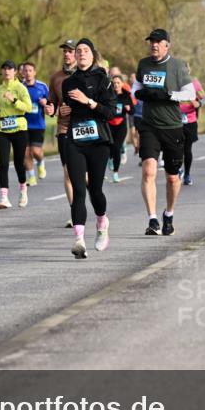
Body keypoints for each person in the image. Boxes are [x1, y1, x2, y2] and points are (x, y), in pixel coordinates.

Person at [60, 38, 116, 258]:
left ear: (92, 55)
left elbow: (110, 113)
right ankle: (79, 240)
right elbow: (67, 109)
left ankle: (102, 223)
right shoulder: (68, 82)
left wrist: (88, 101)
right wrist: (60, 111)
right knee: (78, 190)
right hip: (75, 140)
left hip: (98, 141)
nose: (81, 53)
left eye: (85, 50)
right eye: (78, 51)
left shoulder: (103, 79)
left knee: (95, 190)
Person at [133, 28, 192, 235]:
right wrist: (142, 93)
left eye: (158, 42)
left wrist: (169, 95)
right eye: (151, 42)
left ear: (167, 45)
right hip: (149, 126)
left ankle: (169, 214)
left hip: (172, 127)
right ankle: (152, 220)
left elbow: (190, 92)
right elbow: (135, 88)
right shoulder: (144, 64)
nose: (154, 45)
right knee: (149, 171)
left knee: (172, 178)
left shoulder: (177, 65)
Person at [0, 60, 32, 208]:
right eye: (4, 69)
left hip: (19, 128)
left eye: (10, 69)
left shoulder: (21, 88)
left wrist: (14, 100)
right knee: (3, 163)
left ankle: (23, 189)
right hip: (3, 129)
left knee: (18, 163)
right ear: (1, 72)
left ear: (15, 72)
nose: (7, 71)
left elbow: (28, 107)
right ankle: (4, 198)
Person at [48, 40, 76, 228]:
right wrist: (51, 109)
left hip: (85, 128)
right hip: (64, 129)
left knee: (84, 176)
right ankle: (75, 212)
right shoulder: (56, 77)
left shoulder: (88, 75)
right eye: (65, 51)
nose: (66, 54)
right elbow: (52, 104)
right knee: (68, 172)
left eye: (70, 51)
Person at [18, 61, 49, 186]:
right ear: (22, 73)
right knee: (25, 152)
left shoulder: (42, 86)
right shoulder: (19, 87)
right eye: (25, 70)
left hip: (38, 124)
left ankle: (41, 162)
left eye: (30, 70)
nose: (28, 73)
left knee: (36, 151)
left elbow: (50, 101)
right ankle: (31, 176)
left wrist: (45, 101)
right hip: (23, 124)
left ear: (34, 72)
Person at [179, 69, 205, 186]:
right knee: (175, 148)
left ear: (189, 71)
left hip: (190, 120)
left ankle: (187, 174)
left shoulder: (195, 84)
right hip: (174, 120)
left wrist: (199, 104)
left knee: (187, 149)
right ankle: (177, 170)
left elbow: (204, 99)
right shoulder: (172, 83)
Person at [108, 73, 134, 183]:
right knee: (110, 146)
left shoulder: (126, 95)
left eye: (118, 83)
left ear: (122, 84)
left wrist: (128, 108)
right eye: (114, 83)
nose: (116, 85)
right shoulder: (109, 95)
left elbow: (132, 111)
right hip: (109, 124)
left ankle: (115, 173)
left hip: (121, 125)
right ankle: (110, 158)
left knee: (117, 148)